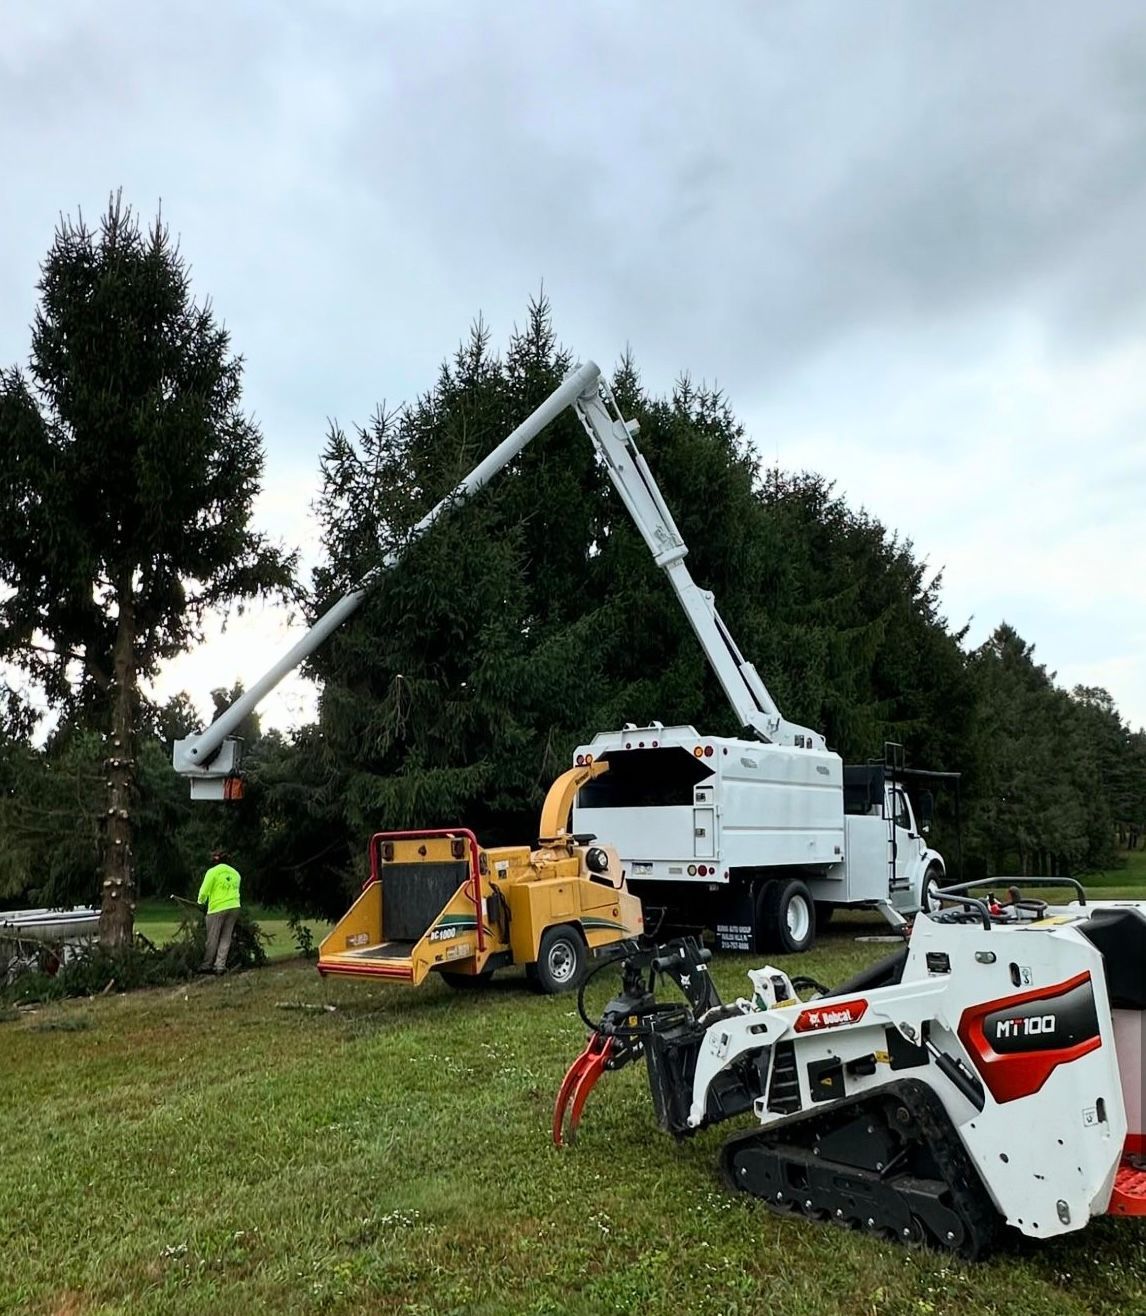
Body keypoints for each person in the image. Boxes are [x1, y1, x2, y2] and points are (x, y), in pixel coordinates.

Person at [197, 849, 242, 975]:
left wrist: (200, 902)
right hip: (234, 907)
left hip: (217, 908)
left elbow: (204, 890)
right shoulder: (236, 874)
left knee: (213, 938)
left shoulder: (213, 872)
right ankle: (220, 966)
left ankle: (206, 965)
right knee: (225, 938)